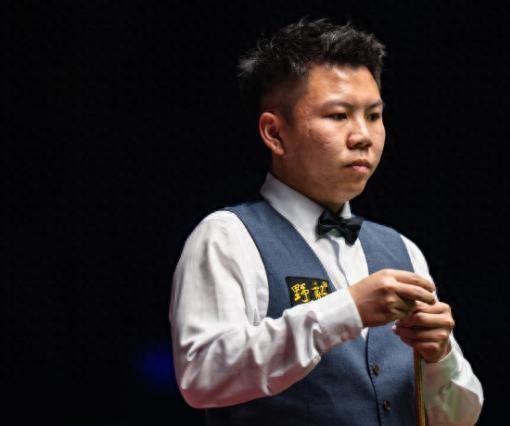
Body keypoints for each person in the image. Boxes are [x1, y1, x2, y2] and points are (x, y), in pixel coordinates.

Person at [170, 18, 483, 425]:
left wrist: (441, 357)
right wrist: (346, 310)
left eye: (374, 115)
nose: (363, 136)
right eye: (338, 116)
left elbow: (459, 419)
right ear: (274, 133)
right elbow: (202, 376)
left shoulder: (403, 250)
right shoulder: (227, 236)